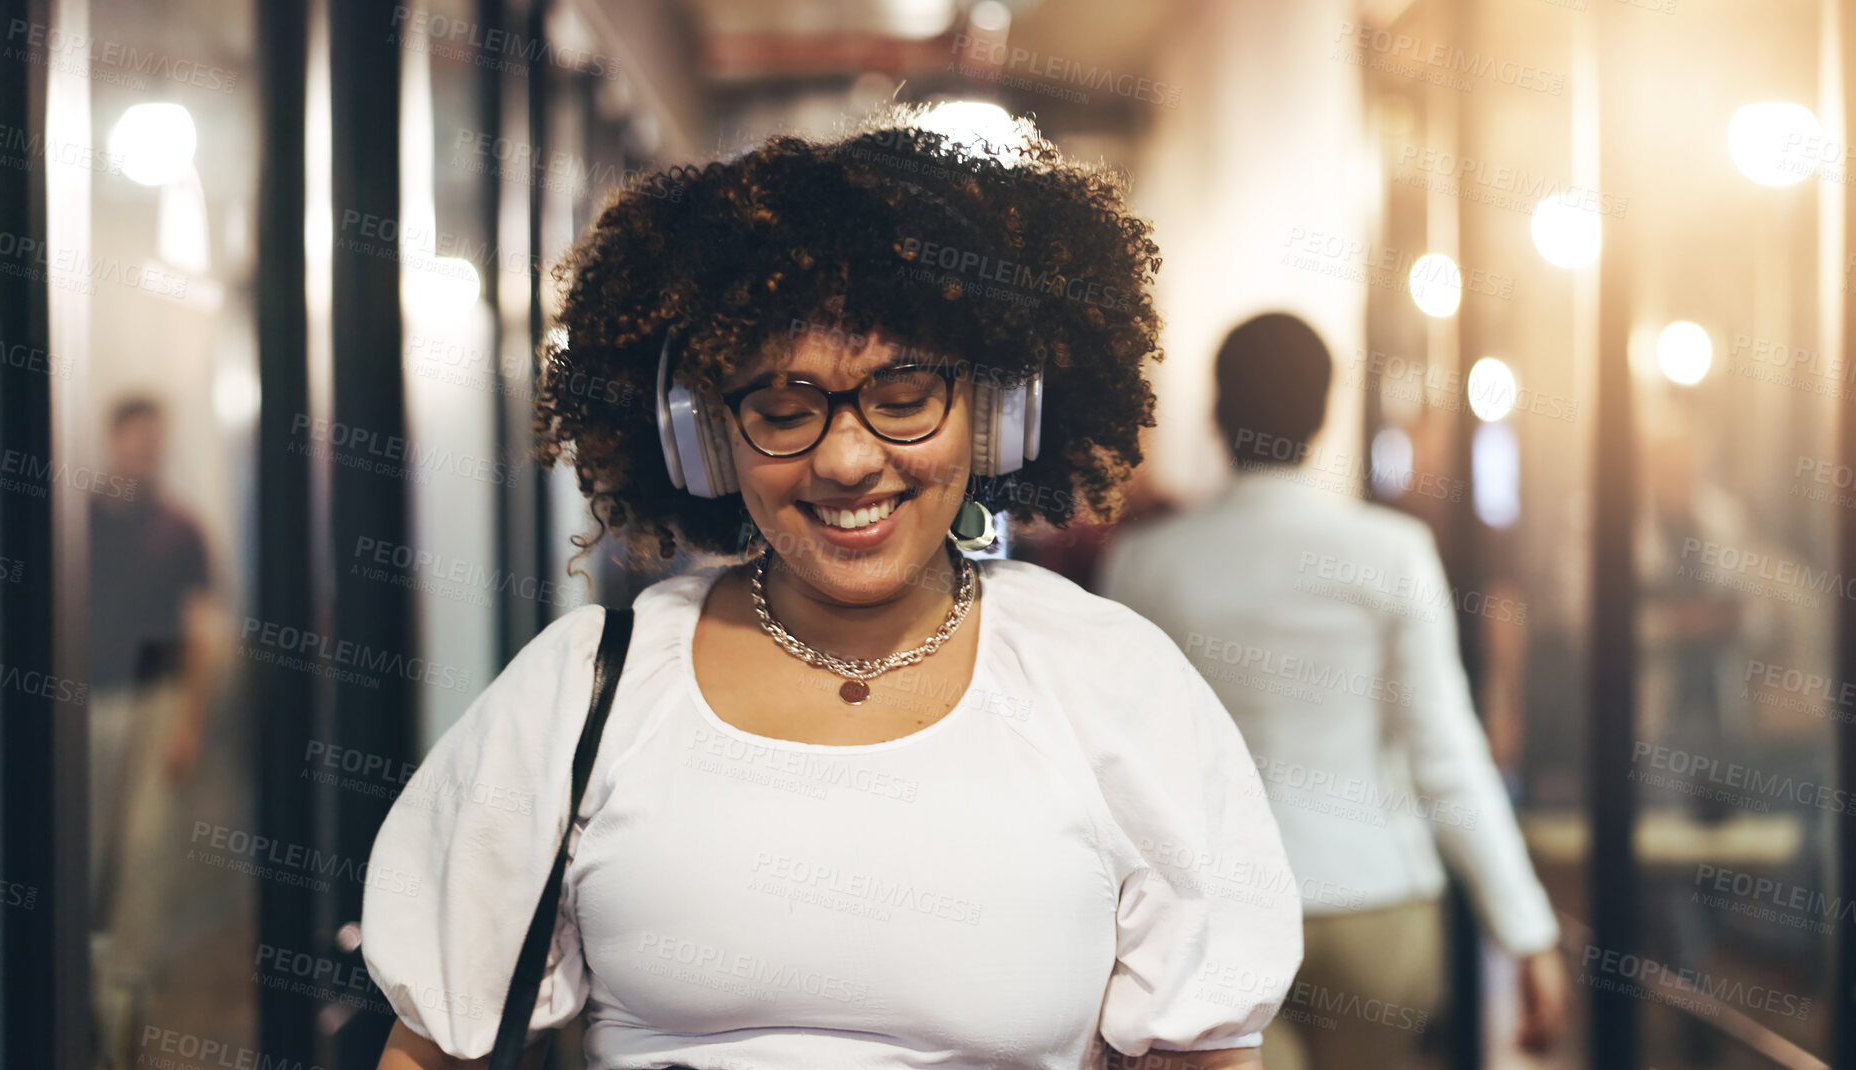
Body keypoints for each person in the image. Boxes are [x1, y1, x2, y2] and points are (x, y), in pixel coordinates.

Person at [362, 105, 1302, 1070]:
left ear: (996, 415)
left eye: (902, 399)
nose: (849, 459)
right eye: (782, 409)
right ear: (702, 439)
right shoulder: (586, 689)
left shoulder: (1114, 682)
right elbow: (429, 1049)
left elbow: (1203, 1052)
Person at [1095, 314, 1567, 1070]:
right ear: (1323, 414)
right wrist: (1526, 931)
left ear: (1218, 412)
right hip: (1375, 901)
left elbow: (1121, 762)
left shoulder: (1145, 563)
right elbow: (1445, 753)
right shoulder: (1392, 552)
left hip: (1217, 911)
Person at [85, 394, 221, 1069]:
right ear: (113, 440)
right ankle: (79, 1000)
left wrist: (189, 721)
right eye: (133, 439)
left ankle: (124, 1011)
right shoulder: (76, 520)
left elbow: (200, 627)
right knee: (84, 854)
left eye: (153, 441)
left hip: (156, 702)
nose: (143, 451)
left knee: (144, 854)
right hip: (85, 705)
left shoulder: (180, 528)